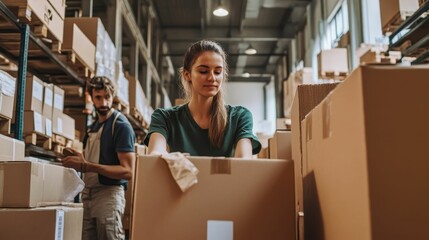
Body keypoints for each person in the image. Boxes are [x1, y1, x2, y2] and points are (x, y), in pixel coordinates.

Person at [144, 40, 261, 157]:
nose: (212, 78)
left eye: (217, 72)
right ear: (187, 74)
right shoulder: (164, 118)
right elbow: (155, 155)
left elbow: (244, 160)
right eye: (203, 71)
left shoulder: (240, 117)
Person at [61, 76, 135, 240]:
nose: (103, 103)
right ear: (91, 98)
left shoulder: (120, 126)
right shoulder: (93, 127)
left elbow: (128, 171)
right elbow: (92, 161)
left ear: (112, 97)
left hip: (108, 195)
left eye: (107, 97)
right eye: (98, 97)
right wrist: (79, 159)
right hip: (88, 194)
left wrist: (87, 166)